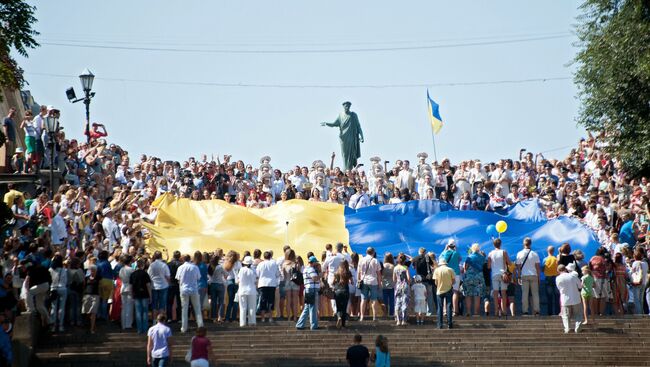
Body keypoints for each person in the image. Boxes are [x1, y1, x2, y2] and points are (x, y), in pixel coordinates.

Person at [321, 101, 364, 170]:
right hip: (343, 138)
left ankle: (351, 170)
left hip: (352, 137)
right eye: (346, 106)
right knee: (345, 154)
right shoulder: (340, 115)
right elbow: (334, 124)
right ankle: (346, 170)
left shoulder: (353, 115)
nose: (347, 107)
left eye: (348, 106)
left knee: (352, 154)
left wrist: (362, 136)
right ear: (343, 106)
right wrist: (326, 123)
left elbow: (358, 126)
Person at [176, 254, 204, 333]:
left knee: (184, 309)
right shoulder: (195, 267)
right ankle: (200, 326)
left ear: (183, 259)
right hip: (194, 289)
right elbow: (198, 277)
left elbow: (178, 279)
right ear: (190, 259)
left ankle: (184, 327)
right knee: (197, 309)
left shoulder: (180, 268)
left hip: (184, 289)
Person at [515, 237, 541, 315]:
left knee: (524, 294)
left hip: (524, 275)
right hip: (533, 275)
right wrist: (539, 277)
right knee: (535, 294)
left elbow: (518, 267)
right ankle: (536, 310)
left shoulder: (519, 253)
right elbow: (538, 267)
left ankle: (525, 310)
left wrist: (518, 276)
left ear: (524, 244)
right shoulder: (535, 254)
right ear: (530, 243)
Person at [556, 264, 583, 334]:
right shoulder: (573, 276)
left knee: (565, 315)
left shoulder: (558, 278)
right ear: (565, 269)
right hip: (576, 298)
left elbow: (559, 288)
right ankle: (577, 328)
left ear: (558, 270)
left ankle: (567, 328)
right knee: (578, 314)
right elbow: (580, 286)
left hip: (565, 299)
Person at [487, 239, 511, 317]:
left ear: (494, 245)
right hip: (503, 274)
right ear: (500, 244)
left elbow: (489, 266)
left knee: (495, 293)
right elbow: (509, 263)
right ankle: (504, 311)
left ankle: (496, 311)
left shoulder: (490, 253)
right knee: (503, 293)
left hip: (494, 274)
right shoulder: (504, 252)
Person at [296, 256, 320, 330]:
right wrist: (320, 276)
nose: (316, 263)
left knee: (307, 308)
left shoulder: (306, 269)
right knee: (313, 308)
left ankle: (300, 324)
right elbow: (314, 278)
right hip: (311, 289)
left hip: (308, 289)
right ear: (313, 262)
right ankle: (313, 325)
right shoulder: (311, 269)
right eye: (316, 262)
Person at [357, 247, 381, 322]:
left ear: (366, 252)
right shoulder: (375, 260)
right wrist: (379, 283)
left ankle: (362, 316)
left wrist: (358, 280)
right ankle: (374, 317)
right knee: (374, 300)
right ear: (373, 253)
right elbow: (378, 273)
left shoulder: (361, 260)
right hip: (373, 281)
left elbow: (359, 272)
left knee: (363, 300)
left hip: (364, 281)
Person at [256, 251, 280, 323]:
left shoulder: (260, 264)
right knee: (270, 301)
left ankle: (263, 318)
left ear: (264, 257)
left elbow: (257, 274)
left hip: (262, 284)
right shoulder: (274, 263)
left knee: (262, 300)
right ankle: (270, 317)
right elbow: (277, 274)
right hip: (272, 284)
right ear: (270, 256)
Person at [463, 243, 486, 317]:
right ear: (478, 249)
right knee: (477, 295)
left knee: (468, 295)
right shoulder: (482, 257)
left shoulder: (469, 257)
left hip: (469, 277)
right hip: (479, 278)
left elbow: (465, 268)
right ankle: (476, 313)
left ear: (472, 249)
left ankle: (469, 312)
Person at [440, 239, 461, 316]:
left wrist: (445, 249)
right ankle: (455, 311)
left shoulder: (444, 253)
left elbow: (440, 259)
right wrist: (456, 250)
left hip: (447, 273)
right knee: (455, 292)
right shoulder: (456, 253)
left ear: (448, 245)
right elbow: (460, 260)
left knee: (446, 292)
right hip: (456, 273)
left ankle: (445, 311)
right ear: (454, 246)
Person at [130, 258, 152, 334]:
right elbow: (148, 285)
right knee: (145, 312)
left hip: (136, 294)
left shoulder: (133, 274)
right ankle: (145, 328)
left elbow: (131, 286)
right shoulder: (145, 274)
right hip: (145, 294)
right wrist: (150, 295)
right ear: (142, 266)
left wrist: (131, 294)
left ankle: (139, 329)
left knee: (138, 312)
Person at [432, 258, 455, 329]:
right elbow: (453, 281)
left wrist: (439, 285)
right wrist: (450, 284)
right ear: (445, 263)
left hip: (439, 290)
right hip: (448, 289)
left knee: (440, 307)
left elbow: (435, 282)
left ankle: (440, 324)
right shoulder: (450, 269)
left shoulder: (437, 270)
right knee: (449, 306)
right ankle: (450, 323)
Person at [147, 251, 170, 320]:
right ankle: (161, 321)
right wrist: (168, 283)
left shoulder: (151, 265)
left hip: (154, 286)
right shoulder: (164, 265)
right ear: (161, 256)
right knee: (162, 305)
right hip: (163, 286)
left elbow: (149, 275)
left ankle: (154, 321)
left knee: (154, 305)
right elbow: (168, 276)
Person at [412, 248, 434, 315]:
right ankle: (429, 312)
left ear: (419, 252)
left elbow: (413, 267)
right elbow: (432, 264)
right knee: (429, 296)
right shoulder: (427, 257)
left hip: (419, 280)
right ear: (425, 252)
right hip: (428, 279)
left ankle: (420, 312)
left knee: (419, 296)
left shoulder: (415, 258)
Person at [48, 254, 68, 333]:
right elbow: (66, 280)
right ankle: (61, 325)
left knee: (53, 308)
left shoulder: (50, 270)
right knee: (62, 308)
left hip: (53, 288)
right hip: (62, 288)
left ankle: (53, 325)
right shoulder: (64, 270)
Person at [237, 256, 257, 327]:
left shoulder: (241, 270)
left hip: (242, 290)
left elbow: (238, 280)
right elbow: (255, 281)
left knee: (243, 308)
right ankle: (252, 322)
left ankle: (242, 323)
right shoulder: (253, 270)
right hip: (252, 290)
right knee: (252, 307)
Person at [333, 260, 352, 329]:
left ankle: (339, 317)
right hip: (345, 291)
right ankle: (343, 325)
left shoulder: (336, 273)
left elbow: (333, 282)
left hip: (337, 292)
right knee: (344, 308)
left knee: (338, 307)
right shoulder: (348, 273)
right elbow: (351, 282)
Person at [82, 265, 101, 334]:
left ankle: (92, 328)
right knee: (87, 312)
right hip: (87, 295)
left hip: (95, 296)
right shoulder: (86, 278)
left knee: (93, 312)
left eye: (93, 270)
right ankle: (88, 326)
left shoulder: (99, 278)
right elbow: (84, 287)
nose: (92, 272)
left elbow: (100, 286)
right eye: (91, 270)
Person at [392, 253, 410, 326]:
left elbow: (394, 279)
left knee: (397, 302)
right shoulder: (405, 267)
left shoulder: (395, 268)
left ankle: (398, 320)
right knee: (404, 303)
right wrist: (409, 283)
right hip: (405, 285)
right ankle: (403, 320)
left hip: (398, 286)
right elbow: (408, 278)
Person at [542, 246, 560, 316]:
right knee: (557, 296)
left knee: (549, 297)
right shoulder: (556, 259)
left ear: (547, 251)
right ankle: (557, 312)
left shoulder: (545, 259)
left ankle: (549, 313)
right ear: (553, 251)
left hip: (548, 278)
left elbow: (543, 269)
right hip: (556, 278)